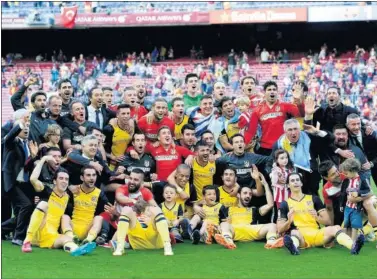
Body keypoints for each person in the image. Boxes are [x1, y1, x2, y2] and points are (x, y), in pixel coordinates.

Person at [277, 173, 365, 255]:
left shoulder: (313, 199)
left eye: (297, 180)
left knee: (336, 228)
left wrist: (317, 217)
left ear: (301, 183)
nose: (295, 182)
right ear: (288, 185)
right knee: (294, 232)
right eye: (292, 181)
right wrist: (289, 221)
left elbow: (327, 221)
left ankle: (353, 246)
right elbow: (280, 229)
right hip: (301, 236)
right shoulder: (285, 204)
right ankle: (294, 248)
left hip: (316, 234)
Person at [21, 168, 96, 256]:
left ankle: (76, 250)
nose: (64, 181)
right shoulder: (47, 191)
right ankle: (27, 241)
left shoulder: (67, 197)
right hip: (38, 231)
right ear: (54, 181)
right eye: (61, 178)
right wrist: (44, 159)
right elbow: (33, 179)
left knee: (67, 239)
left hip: (51, 235)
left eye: (66, 179)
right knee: (43, 204)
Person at [2, 115, 38, 245]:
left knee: (22, 211)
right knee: (26, 205)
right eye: (24, 127)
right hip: (11, 182)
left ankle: (3, 230)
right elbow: (11, 136)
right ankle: (18, 237)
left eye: (28, 127)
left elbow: (25, 166)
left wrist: (33, 157)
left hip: (23, 182)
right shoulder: (11, 142)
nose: (26, 129)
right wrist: (20, 124)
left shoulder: (28, 145)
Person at [215, 181, 279, 250]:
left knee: (272, 225)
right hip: (235, 231)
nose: (248, 196)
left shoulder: (253, 209)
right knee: (224, 224)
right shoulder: (228, 209)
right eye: (245, 193)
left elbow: (270, 205)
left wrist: (266, 185)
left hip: (251, 231)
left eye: (250, 194)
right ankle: (229, 242)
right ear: (238, 195)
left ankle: (271, 242)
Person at [246, 81, 305, 156]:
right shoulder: (257, 110)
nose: (272, 91)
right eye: (269, 90)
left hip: (283, 145)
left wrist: (300, 103)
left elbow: (301, 114)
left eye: (274, 90)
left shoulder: (286, 106)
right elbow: (251, 131)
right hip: (265, 148)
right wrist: (244, 145)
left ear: (277, 92)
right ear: (264, 92)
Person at [61, 166, 108, 244]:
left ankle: (88, 240)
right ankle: (72, 237)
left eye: (94, 175)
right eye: (88, 175)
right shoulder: (74, 190)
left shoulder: (99, 193)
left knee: (99, 218)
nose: (92, 178)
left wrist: (114, 212)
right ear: (82, 178)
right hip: (72, 227)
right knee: (64, 217)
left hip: (88, 229)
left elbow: (108, 211)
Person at [339, 158, 371, 242]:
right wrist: (341, 205)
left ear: (353, 171)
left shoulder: (362, 179)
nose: (345, 175)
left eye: (346, 173)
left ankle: (353, 242)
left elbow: (368, 190)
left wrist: (358, 193)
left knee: (355, 225)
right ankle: (346, 241)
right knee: (346, 224)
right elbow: (343, 193)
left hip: (357, 208)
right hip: (347, 206)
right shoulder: (346, 180)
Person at [346, 113, 377, 184]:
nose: (356, 127)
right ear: (347, 125)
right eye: (353, 124)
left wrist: (372, 163)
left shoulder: (370, 134)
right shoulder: (345, 136)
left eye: (358, 124)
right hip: (358, 170)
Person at [103, 104, 135, 170]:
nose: (126, 116)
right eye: (123, 114)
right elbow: (100, 147)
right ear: (117, 115)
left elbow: (135, 142)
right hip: (111, 162)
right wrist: (112, 157)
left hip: (126, 162)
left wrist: (131, 150)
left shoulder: (132, 125)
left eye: (128, 113)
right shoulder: (109, 129)